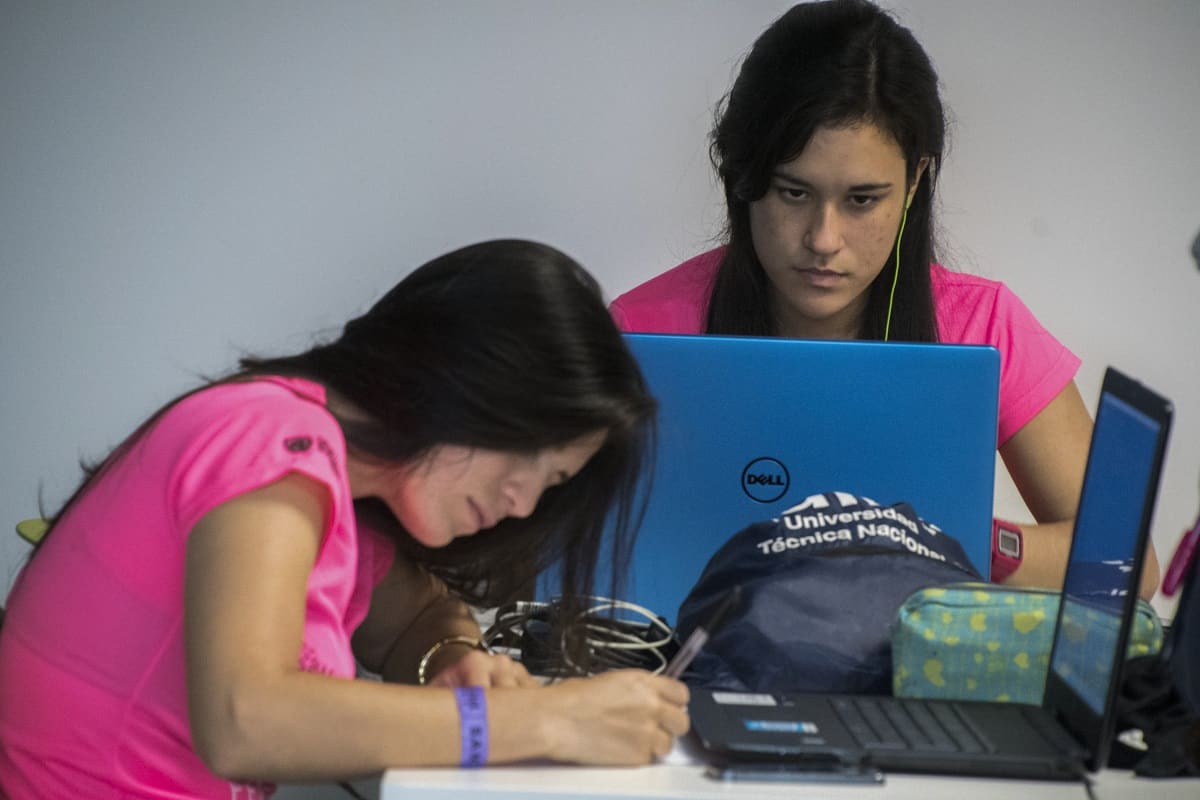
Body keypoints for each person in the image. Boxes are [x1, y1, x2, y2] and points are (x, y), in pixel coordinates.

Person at [0, 239, 690, 799]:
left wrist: (454, 660)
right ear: (472, 381)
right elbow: (247, 720)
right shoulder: (274, 440)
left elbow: (418, 621)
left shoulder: (348, 492)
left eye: (554, 484)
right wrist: (543, 720)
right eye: (531, 458)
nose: (523, 502)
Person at [610, 0, 1159, 599]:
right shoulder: (641, 331)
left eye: (863, 200)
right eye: (794, 192)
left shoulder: (981, 326)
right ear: (744, 175)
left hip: (904, 677)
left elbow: (1129, 565)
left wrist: (957, 542)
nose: (823, 238)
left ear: (916, 180)